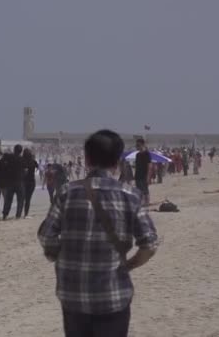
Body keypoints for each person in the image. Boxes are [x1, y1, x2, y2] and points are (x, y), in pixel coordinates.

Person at [37, 129, 159, 337]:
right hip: (113, 296)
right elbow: (149, 244)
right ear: (116, 162)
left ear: (87, 159)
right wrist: (127, 266)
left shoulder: (67, 192)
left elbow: (46, 235)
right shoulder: (130, 195)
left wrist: (57, 255)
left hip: (73, 295)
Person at [22, 149, 39, 218]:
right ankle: (26, 214)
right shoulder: (33, 161)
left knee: (22, 198)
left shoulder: (22, 161)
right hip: (32, 182)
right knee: (28, 199)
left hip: (23, 182)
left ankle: (19, 213)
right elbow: (37, 167)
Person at [134, 139, 151, 204]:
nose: (137, 147)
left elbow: (149, 166)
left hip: (144, 175)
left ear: (143, 145)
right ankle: (141, 203)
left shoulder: (147, 154)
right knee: (138, 191)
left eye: (138, 145)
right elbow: (137, 166)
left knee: (145, 191)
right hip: (137, 175)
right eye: (136, 145)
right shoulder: (137, 155)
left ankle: (147, 203)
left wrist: (148, 177)